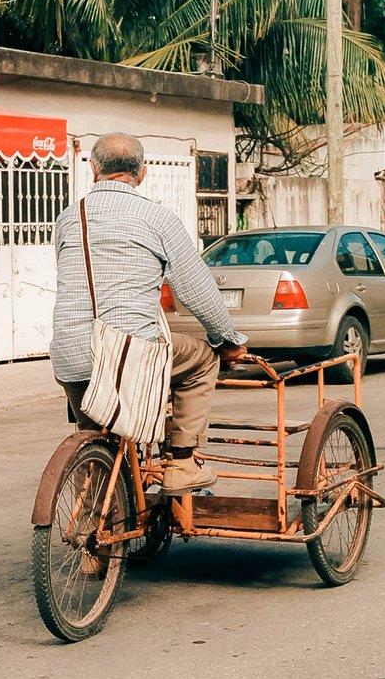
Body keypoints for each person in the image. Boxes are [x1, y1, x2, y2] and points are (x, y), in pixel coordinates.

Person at [50, 133, 248, 494]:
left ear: (93, 169)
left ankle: (97, 515)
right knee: (202, 359)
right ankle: (183, 463)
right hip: (129, 354)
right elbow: (196, 288)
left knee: (96, 435)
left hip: (70, 357)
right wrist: (227, 339)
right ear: (142, 174)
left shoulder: (68, 219)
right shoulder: (157, 218)